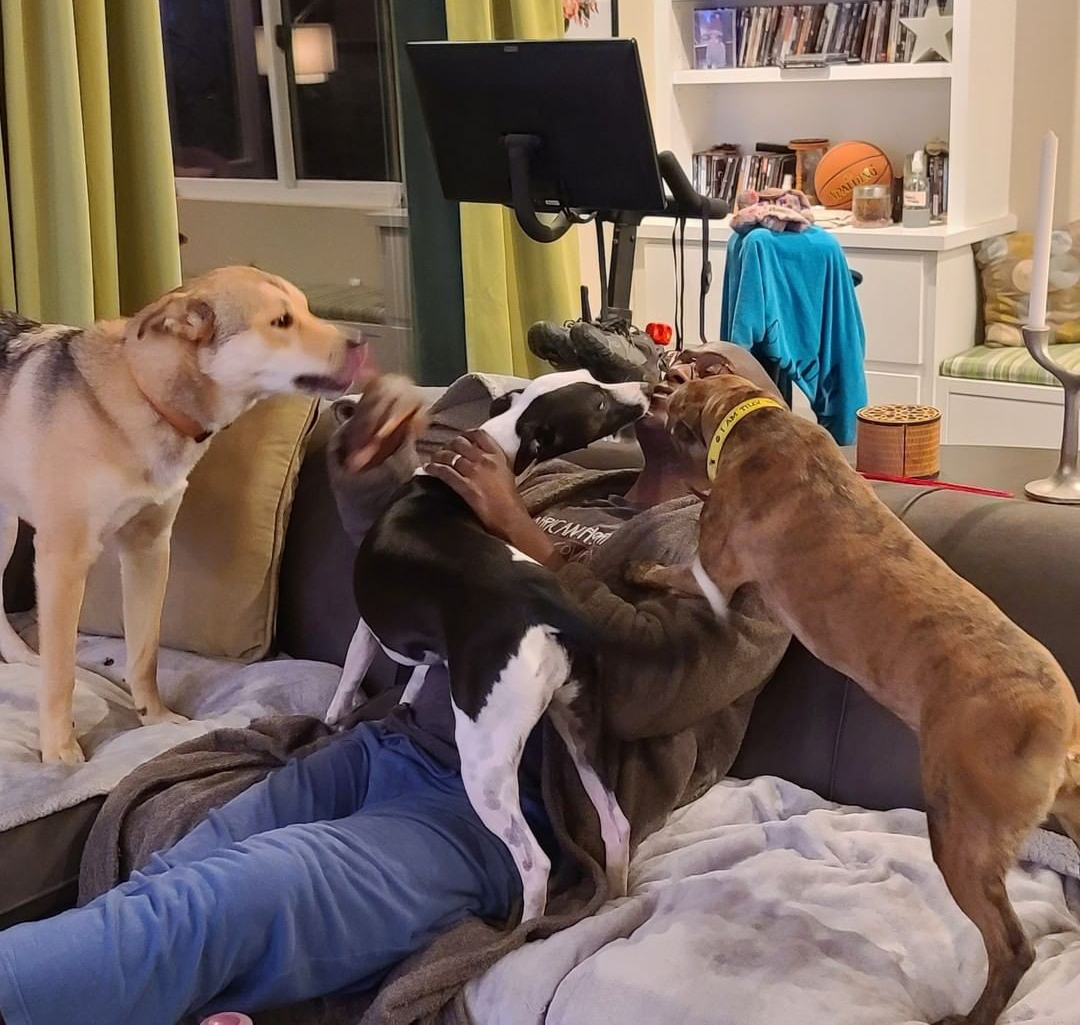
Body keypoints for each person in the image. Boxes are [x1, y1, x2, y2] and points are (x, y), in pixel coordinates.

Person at [0, 346, 790, 1025]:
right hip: (384, 746)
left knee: (207, 906)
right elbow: (409, 571)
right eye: (684, 357)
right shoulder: (560, 482)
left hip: (496, 811)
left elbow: (649, 693)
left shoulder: (752, 557)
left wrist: (522, 535)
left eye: (713, 369)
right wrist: (368, 471)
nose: (682, 370)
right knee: (168, 873)